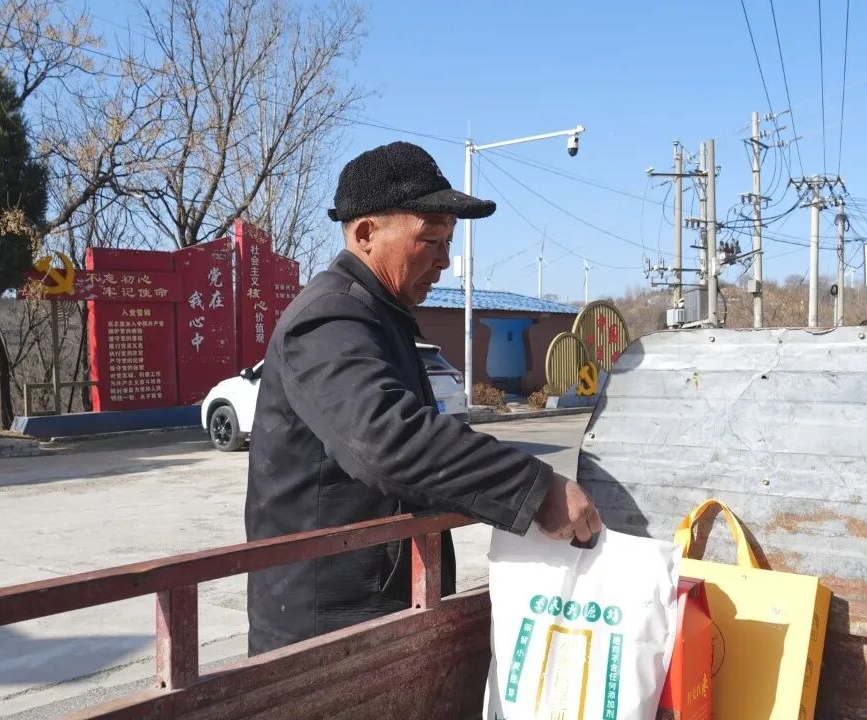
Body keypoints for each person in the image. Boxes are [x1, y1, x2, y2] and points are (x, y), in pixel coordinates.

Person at [245, 141, 603, 655]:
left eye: (448, 241)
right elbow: (388, 439)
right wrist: (535, 488)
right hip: (327, 631)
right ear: (365, 234)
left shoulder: (378, 315)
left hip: (374, 610)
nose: (444, 260)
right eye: (431, 239)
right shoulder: (329, 318)